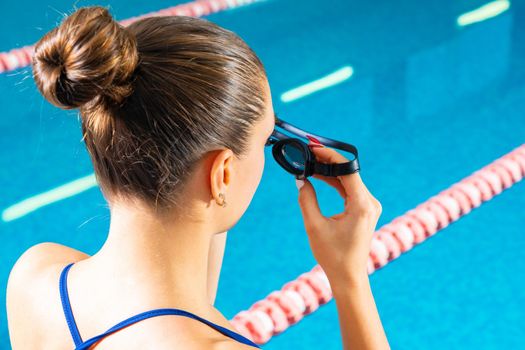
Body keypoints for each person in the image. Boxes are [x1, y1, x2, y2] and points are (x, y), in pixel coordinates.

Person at [6, 5, 390, 349]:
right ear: (222, 172)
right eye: (265, 141)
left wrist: (216, 172)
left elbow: (183, 308)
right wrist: (349, 277)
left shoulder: (36, 278)